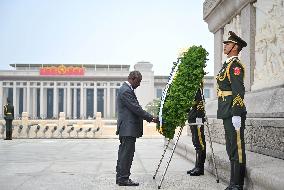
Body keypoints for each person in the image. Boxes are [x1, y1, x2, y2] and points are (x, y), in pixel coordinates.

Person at [115, 71, 158, 186]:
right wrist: (151, 118)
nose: (139, 84)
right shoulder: (125, 91)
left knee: (124, 153)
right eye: (138, 81)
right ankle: (123, 178)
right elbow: (136, 109)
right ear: (132, 79)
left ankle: (120, 177)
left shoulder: (126, 89)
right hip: (127, 128)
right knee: (127, 154)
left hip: (127, 128)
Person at [216, 31, 247, 190]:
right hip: (226, 110)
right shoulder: (227, 65)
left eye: (228, 44)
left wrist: (236, 114)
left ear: (235, 47)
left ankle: (238, 183)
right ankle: (232, 182)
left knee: (237, 147)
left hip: (233, 111)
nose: (225, 46)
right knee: (230, 146)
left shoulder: (235, 66)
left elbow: (238, 91)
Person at [186, 86, 206, 176]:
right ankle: (197, 165)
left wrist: (199, 117)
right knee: (195, 142)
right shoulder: (190, 85)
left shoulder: (197, 84)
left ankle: (200, 167)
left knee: (200, 142)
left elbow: (200, 101)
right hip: (192, 116)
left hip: (197, 117)